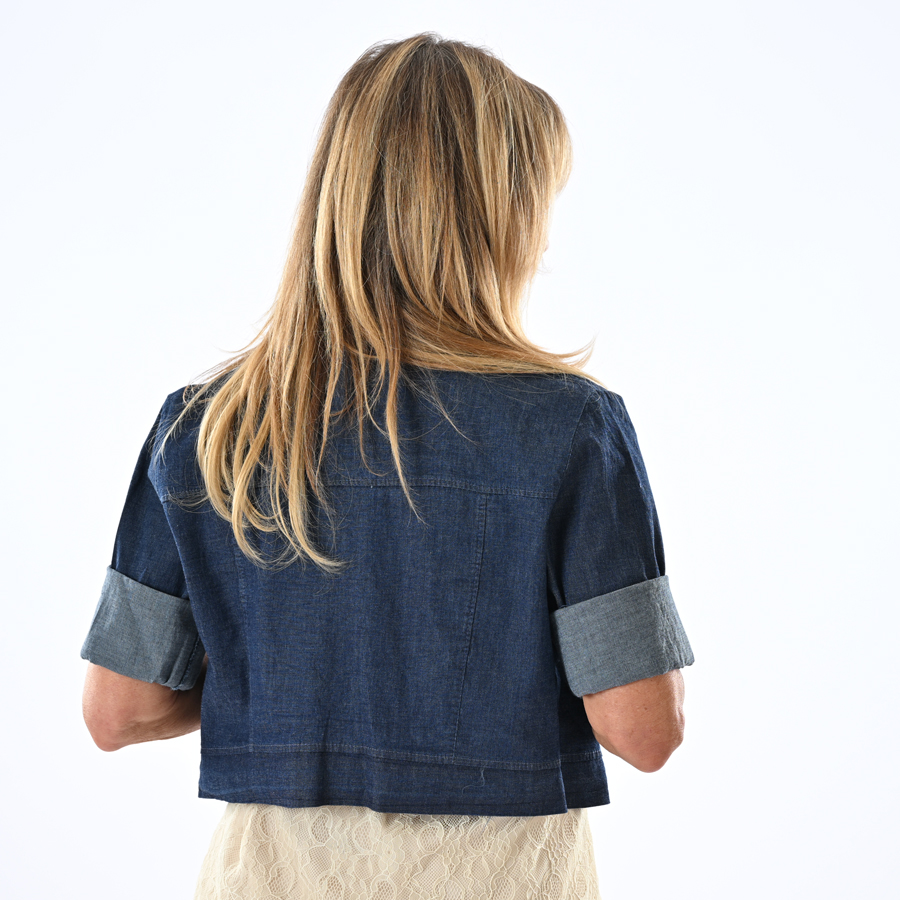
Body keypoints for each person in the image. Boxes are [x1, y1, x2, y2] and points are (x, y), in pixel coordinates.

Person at [80, 32, 694, 900]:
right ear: (501, 215)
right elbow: (643, 730)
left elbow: (119, 711)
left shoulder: (206, 429)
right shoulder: (574, 429)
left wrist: (279, 689)